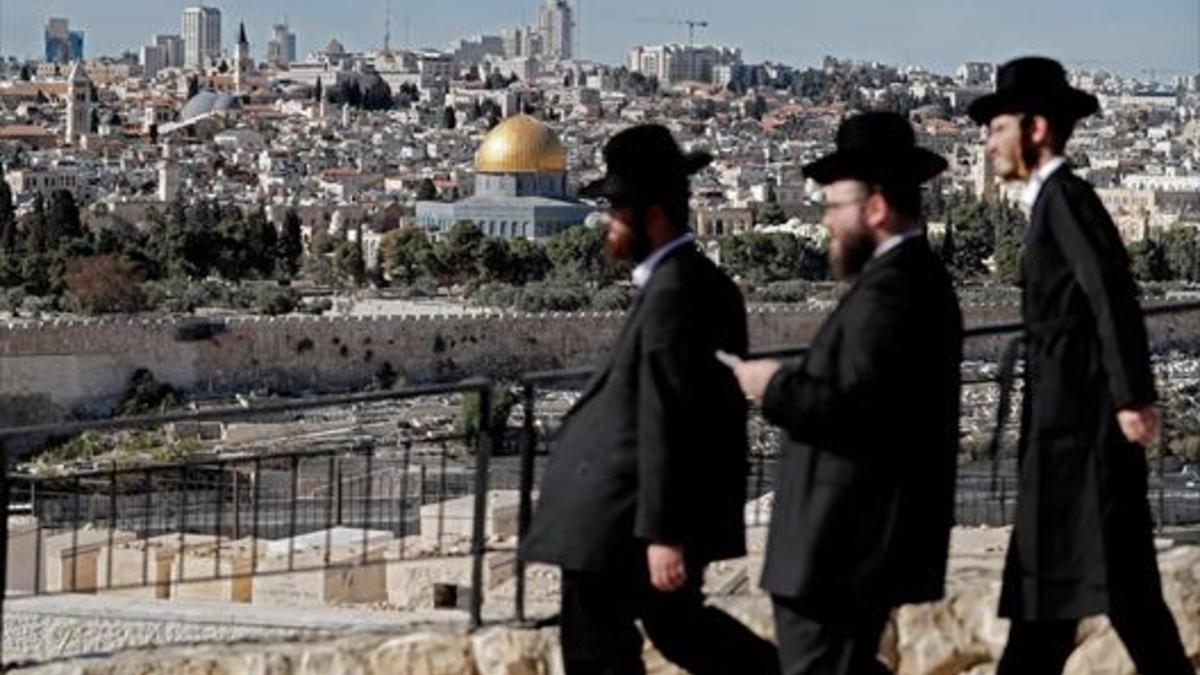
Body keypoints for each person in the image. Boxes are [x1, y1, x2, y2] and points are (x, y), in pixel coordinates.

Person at [520, 124, 780, 675]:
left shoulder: (677, 291)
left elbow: (673, 414)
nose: (607, 224)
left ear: (652, 215)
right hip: (628, 515)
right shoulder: (681, 283)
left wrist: (666, 532)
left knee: (601, 651)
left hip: (623, 520)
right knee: (678, 629)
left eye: (617, 211)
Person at [968, 56, 1192, 674]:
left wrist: (1132, 398)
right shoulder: (1055, 202)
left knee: (1078, 609)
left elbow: (1109, 292)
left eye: (998, 127)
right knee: (1085, 610)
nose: (988, 142)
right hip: (1070, 439)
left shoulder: (1065, 198)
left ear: (1035, 128)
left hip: (1080, 443)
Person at [732, 112, 962, 675]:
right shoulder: (907, 281)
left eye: (835, 208)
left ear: (876, 208)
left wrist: (773, 386)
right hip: (851, 544)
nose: (828, 224)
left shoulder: (894, 291)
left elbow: (860, 412)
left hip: (840, 545)